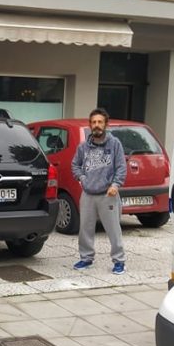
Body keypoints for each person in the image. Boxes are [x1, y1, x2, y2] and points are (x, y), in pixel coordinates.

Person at [71, 108, 127, 275]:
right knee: (85, 229)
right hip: (88, 194)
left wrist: (115, 185)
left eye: (100, 122)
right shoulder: (83, 147)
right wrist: (82, 178)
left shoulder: (114, 144)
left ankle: (119, 261)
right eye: (94, 122)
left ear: (105, 124)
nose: (97, 125)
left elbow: (121, 167)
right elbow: (75, 165)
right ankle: (86, 258)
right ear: (90, 125)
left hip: (108, 194)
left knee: (113, 229)